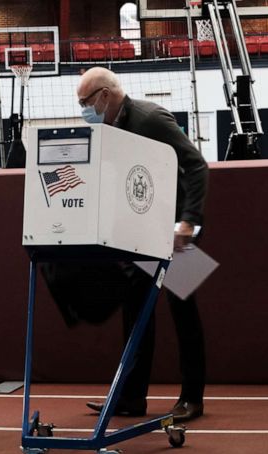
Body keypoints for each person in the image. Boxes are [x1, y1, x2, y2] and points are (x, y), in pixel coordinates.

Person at [77, 67, 209, 423]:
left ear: (104, 96)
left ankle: (192, 398)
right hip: (140, 231)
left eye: (84, 102)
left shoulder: (151, 118)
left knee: (183, 309)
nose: (82, 109)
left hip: (176, 228)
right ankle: (132, 397)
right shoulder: (109, 129)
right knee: (135, 309)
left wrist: (189, 223)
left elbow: (196, 166)